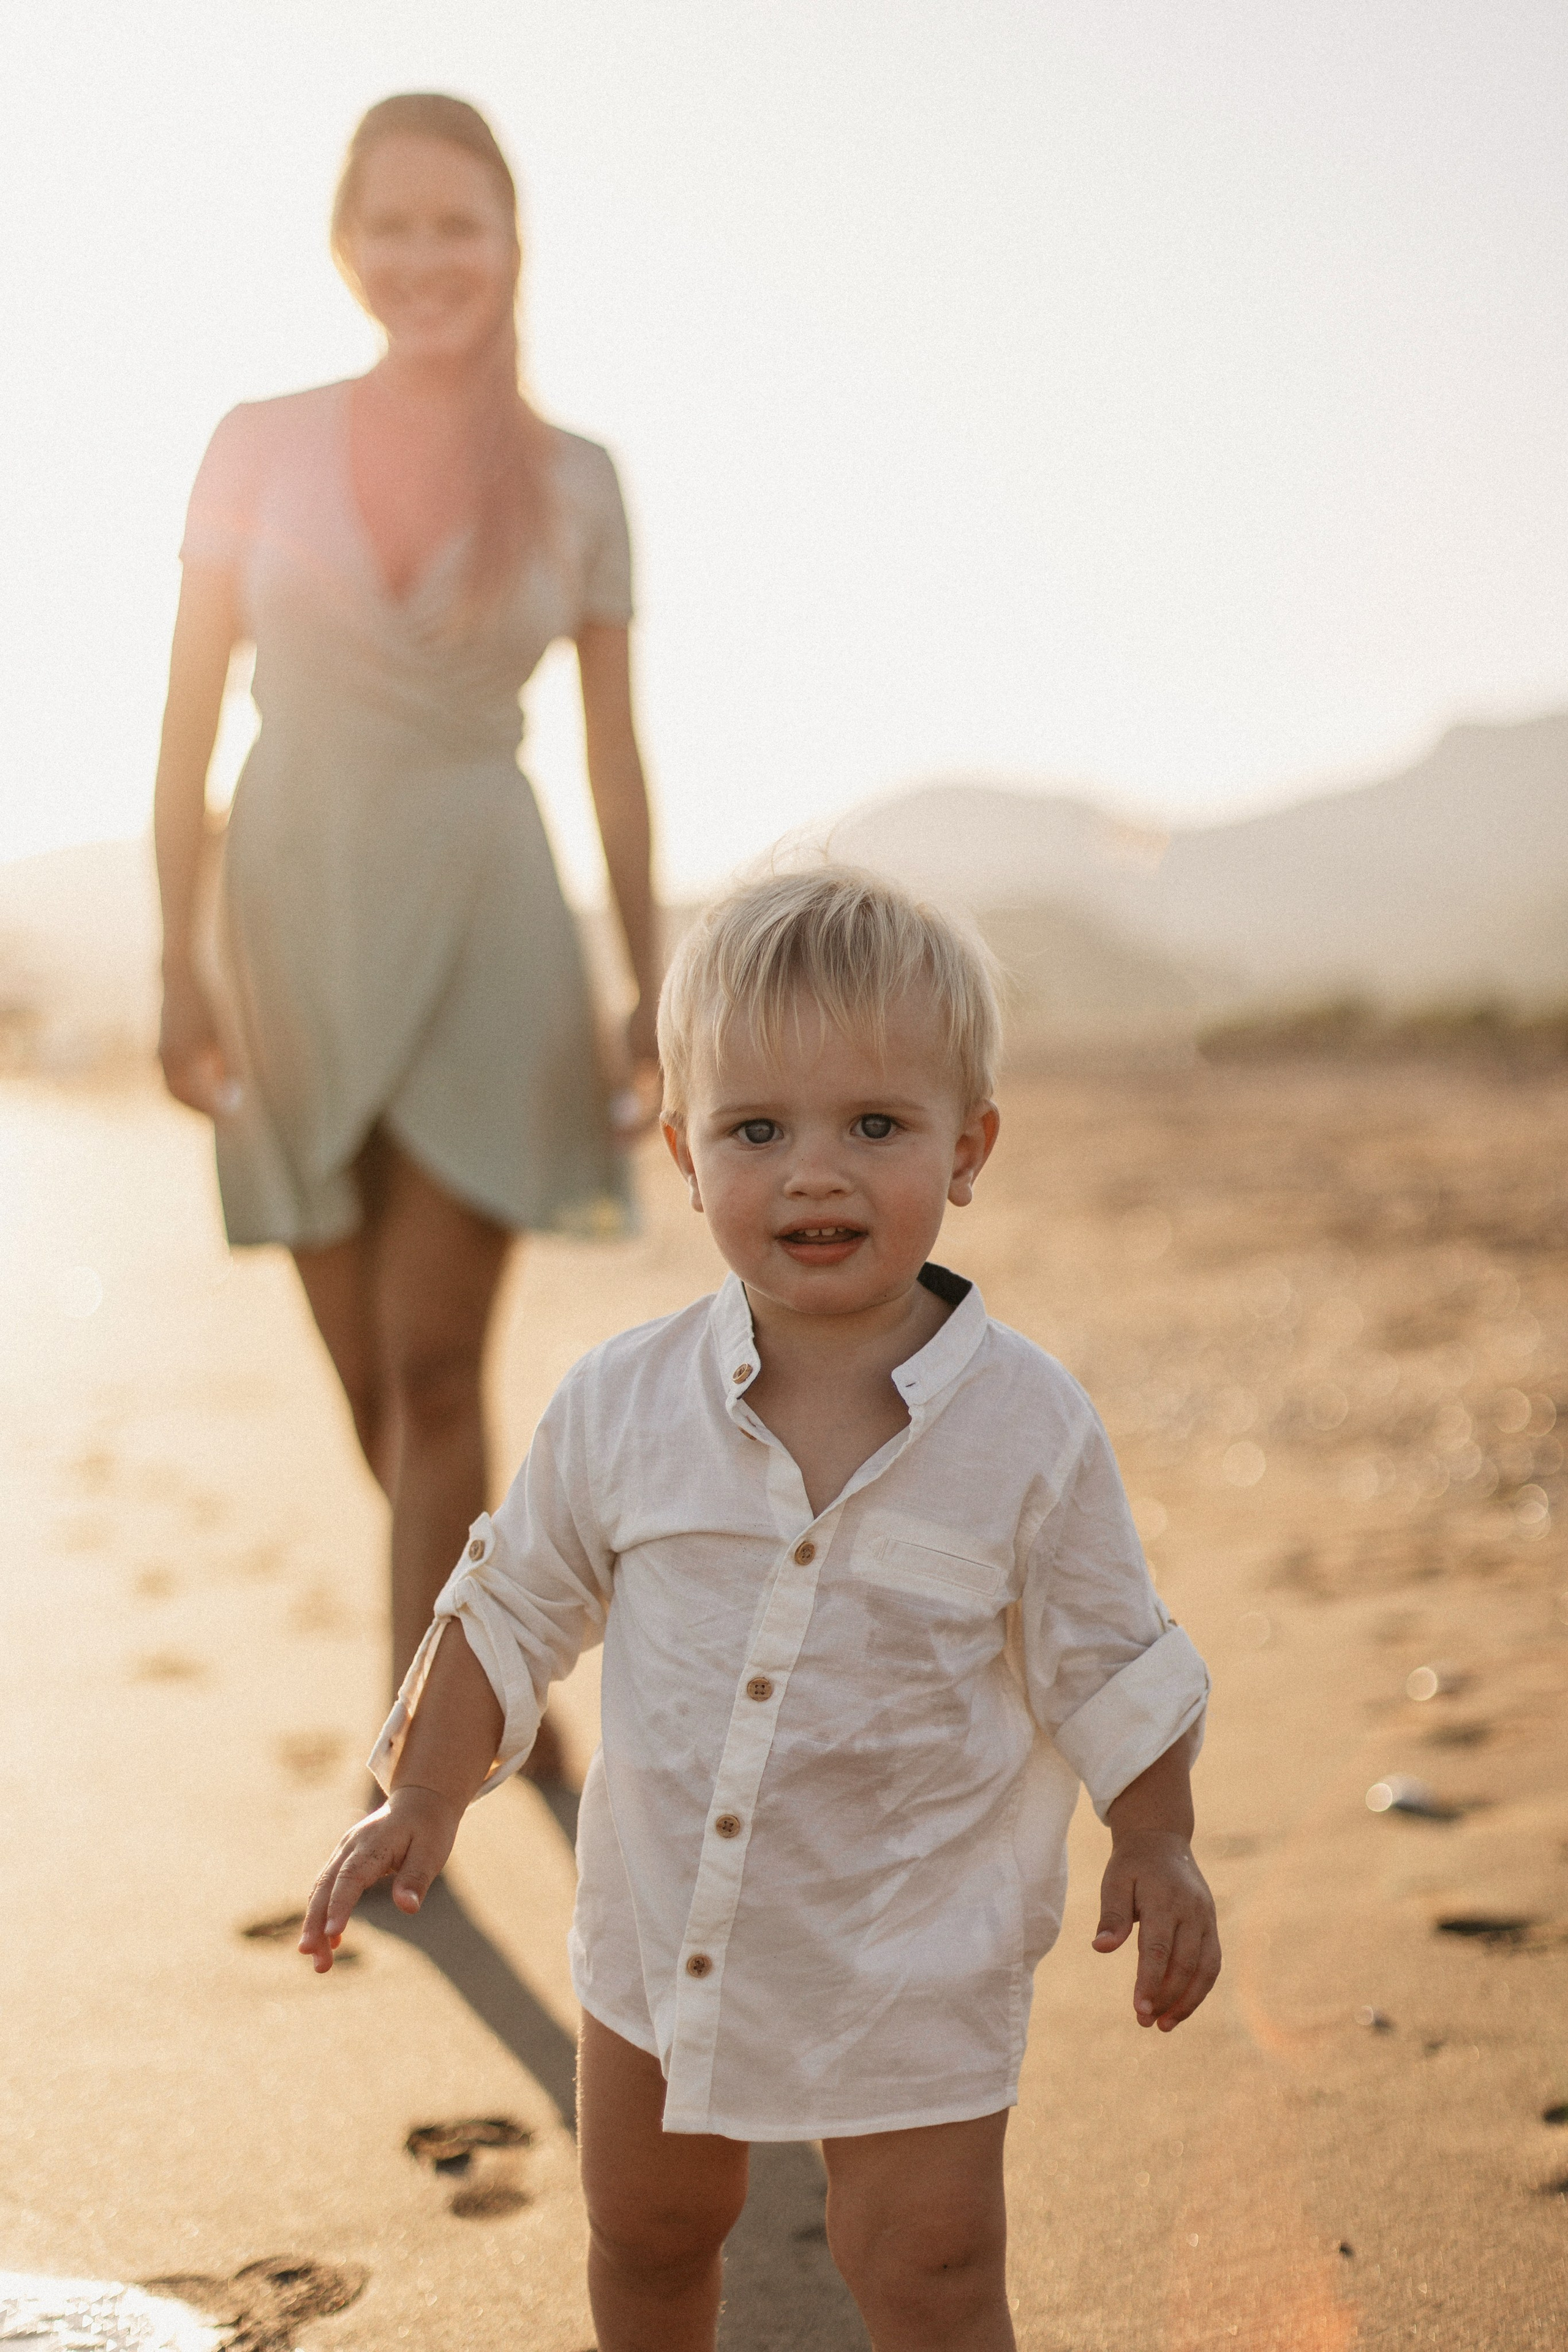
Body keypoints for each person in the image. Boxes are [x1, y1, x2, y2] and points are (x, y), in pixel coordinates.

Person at [299, 867, 1220, 2352]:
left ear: (965, 1145)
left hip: (909, 1947)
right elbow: (512, 1598)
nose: (813, 1173)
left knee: (924, 2267)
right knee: (649, 2238)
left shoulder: (1026, 1430)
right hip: (668, 1933)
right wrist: (421, 1790)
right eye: (754, 1130)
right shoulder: (621, 1403)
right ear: (680, 1148)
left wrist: (1158, 1840)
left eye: (873, 1125)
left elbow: (1108, 1657)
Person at [153, 96, 658, 1768]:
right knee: (370, 1380)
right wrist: (177, 957)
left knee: (438, 1372)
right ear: (342, 245)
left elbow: (612, 754)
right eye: (392, 225)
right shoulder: (252, 438)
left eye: (461, 224)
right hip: (288, 918)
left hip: (491, 926)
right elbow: (179, 725)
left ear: (514, 242)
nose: (425, 258)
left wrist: (649, 987)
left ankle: (411, 1772)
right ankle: (502, 1662)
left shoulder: (576, 476)